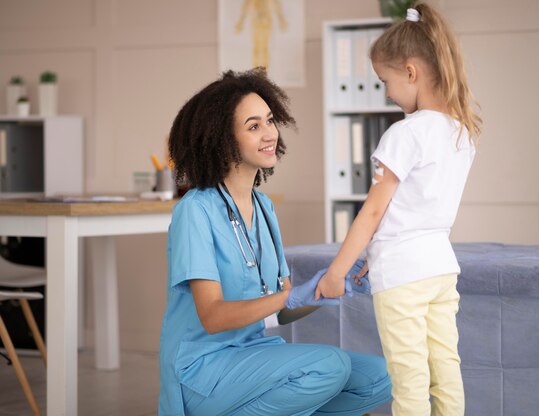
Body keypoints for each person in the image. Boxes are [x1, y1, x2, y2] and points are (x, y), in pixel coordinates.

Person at [159, 68, 392, 416]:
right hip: (203, 370)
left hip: (251, 355)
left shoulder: (263, 208)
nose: (270, 133)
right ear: (223, 139)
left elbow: (282, 310)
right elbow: (212, 316)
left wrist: (328, 284)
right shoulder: (196, 210)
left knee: (381, 377)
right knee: (329, 366)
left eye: (269, 121)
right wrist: (288, 294)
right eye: (254, 126)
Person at [315, 3, 482, 416]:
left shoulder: (404, 134)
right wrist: (377, 253)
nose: (386, 93)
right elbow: (417, 209)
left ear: (411, 72)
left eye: (385, 81)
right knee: (446, 369)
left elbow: (372, 212)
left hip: (403, 278)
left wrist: (337, 273)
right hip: (441, 268)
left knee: (408, 378)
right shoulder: (462, 131)